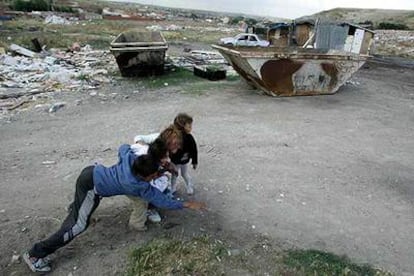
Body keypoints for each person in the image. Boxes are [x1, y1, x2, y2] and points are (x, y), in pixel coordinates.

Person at [23, 143, 206, 273]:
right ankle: (35, 255)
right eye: (152, 176)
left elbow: (124, 147)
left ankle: (77, 209)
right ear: (144, 176)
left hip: (91, 172)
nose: (153, 179)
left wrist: (159, 165)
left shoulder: (130, 160)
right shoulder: (136, 186)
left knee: (83, 207)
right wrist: (186, 204)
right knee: (78, 226)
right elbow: (161, 200)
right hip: (92, 186)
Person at [128, 124, 182, 227]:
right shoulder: (148, 155)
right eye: (175, 144)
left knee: (163, 179)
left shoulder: (161, 149)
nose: (178, 146)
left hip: (150, 166)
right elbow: (137, 139)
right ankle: (150, 208)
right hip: (140, 175)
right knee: (153, 185)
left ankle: (162, 195)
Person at [170, 113, 198, 195]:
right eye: (189, 126)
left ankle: (188, 186)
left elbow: (194, 150)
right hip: (176, 161)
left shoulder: (189, 138)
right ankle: (173, 188)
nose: (191, 128)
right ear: (182, 126)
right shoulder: (175, 137)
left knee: (181, 174)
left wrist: (194, 161)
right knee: (176, 175)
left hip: (182, 160)